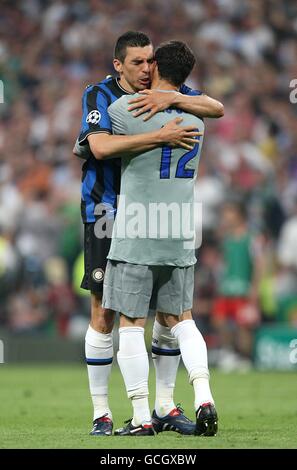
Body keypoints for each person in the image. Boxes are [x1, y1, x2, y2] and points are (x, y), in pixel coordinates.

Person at [75, 31, 224, 436]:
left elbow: (215, 105)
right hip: (107, 212)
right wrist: (161, 134)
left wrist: (172, 98)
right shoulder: (100, 97)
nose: (144, 70)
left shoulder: (169, 93)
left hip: (145, 220)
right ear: (118, 65)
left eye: (148, 62)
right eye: (137, 63)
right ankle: (101, 412)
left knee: (165, 317)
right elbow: (101, 148)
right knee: (105, 314)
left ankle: (160, 408)